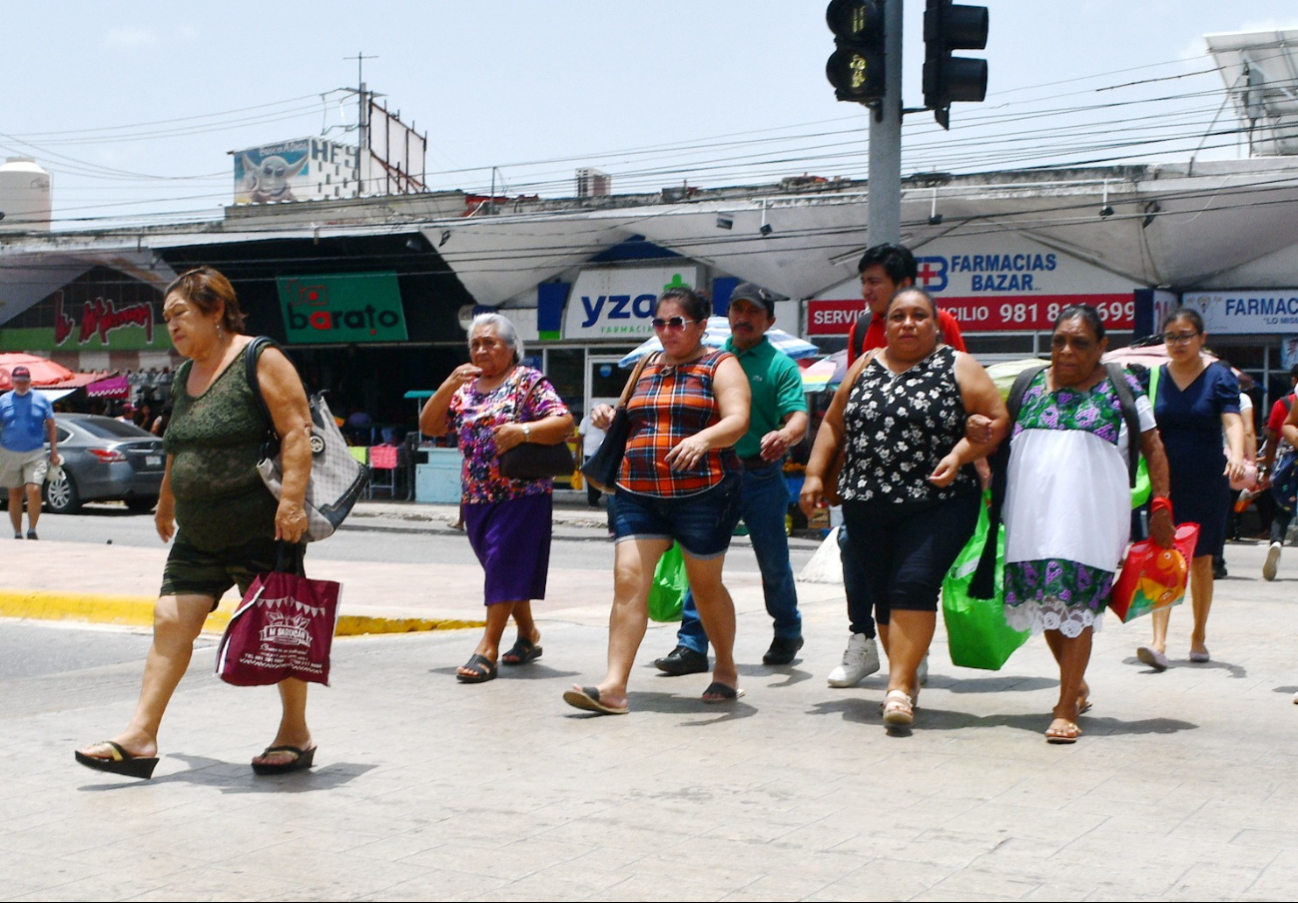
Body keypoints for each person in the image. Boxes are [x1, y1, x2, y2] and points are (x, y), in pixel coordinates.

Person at [75, 266, 317, 779]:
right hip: (199, 532)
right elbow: (178, 444)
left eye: (180, 315)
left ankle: (295, 732)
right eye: (167, 319)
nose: (173, 328)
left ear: (216, 312)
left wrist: (291, 502)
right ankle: (140, 737)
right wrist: (167, 501)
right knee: (169, 622)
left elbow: (297, 430)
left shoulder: (261, 358)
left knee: (279, 631)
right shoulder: (186, 374)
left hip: (261, 527)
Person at [800, 287, 1007, 730]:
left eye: (918, 316)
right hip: (866, 503)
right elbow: (834, 423)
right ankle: (905, 676)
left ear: (935, 324)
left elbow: (996, 418)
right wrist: (815, 475)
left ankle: (896, 689)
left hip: (938, 501)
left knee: (913, 585)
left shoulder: (957, 365)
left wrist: (961, 455)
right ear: (886, 324)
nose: (908, 323)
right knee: (884, 596)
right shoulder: (864, 365)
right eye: (898, 316)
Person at [564, 287, 750, 715]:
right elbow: (627, 413)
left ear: (701, 325)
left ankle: (724, 669)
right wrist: (608, 414)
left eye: (677, 322)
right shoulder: (647, 365)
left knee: (705, 588)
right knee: (629, 581)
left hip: (702, 493)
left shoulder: (720, 364)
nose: (666, 331)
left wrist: (703, 439)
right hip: (638, 491)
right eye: (660, 323)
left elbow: (738, 418)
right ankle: (613, 686)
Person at [997, 305, 1174, 742]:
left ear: (1101, 347)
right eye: (1059, 341)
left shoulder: (1123, 386)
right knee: (1046, 608)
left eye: (1079, 342)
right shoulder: (1029, 385)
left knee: (1076, 606)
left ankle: (1064, 706)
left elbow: (1153, 445)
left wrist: (1161, 504)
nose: (1066, 351)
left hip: (1088, 523)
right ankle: (1075, 685)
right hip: (1030, 521)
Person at [830, 243, 968, 689]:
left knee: (913, 572)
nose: (867, 290)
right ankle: (863, 638)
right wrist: (823, 471)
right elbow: (846, 407)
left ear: (904, 285)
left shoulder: (940, 323)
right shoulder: (861, 330)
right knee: (855, 550)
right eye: (864, 281)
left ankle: (911, 654)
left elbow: (967, 391)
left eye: (875, 281)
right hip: (867, 482)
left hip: (930, 484)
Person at [653, 282, 809, 674]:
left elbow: (799, 417)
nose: (744, 318)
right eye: (738, 310)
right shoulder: (711, 359)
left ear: (769, 320)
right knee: (700, 558)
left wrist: (786, 434)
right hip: (714, 474)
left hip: (760, 475)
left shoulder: (780, 366)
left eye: (754, 311)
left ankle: (788, 629)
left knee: (773, 561)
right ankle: (691, 644)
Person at [419, 313, 573, 683]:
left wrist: (523, 431)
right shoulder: (465, 387)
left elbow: (564, 422)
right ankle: (528, 635)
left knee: (504, 563)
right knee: (500, 567)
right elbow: (430, 425)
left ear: (511, 347)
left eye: (490, 342)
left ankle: (487, 647)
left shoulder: (528, 382)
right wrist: (448, 384)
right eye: (475, 344)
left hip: (522, 491)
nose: (482, 349)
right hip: (476, 494)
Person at [1137, 308, 1245, 670]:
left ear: (1202, 338)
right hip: (1165, 478)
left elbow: (1232, 421)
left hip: (1207, 477)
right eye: (1171, 337)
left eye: (1185, 336)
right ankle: (1158, 641)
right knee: (1163, 553)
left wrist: (1239, 456)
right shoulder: (1154, 378)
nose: (1178, 343)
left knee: (1201, 560)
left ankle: (1198, 636)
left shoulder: (1219, 377)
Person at [0, 365, 58, 540]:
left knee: (33, 489)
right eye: (18, 381)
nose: (22, 385)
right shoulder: (3, 400)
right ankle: (18, 532)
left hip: (35, 451)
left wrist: (54, 451)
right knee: (15, 493)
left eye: (25, 382)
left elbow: (51, 425)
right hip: (9, 451)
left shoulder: (41, 399)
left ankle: (32, 529)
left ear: (30, 382)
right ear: (12, 382)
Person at [1259, 365, 1298, 580]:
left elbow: (1272, 439)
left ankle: (1276, 542)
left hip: (1289, 464)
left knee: (1282, 510)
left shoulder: (1282, 404)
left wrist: (1266, 469)